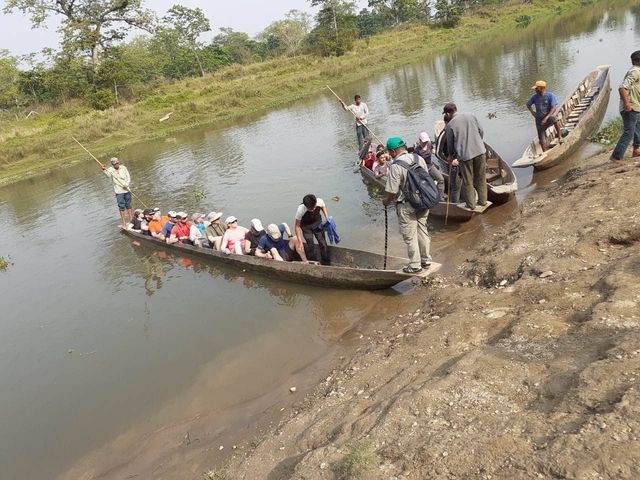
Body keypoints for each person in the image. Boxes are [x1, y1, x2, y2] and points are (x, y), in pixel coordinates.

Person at [382, 137, 432, 274]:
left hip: (407, 205)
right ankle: (425, 260)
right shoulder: (418, 158)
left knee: (410, 235)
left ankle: (415, 265)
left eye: (390, 152)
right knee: (423, 230)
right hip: (424, 201)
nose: (390, 155)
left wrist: (386, 201)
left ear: (393, 151)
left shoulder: (396, 166)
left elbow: (392, 191)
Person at [443, 103, 487, 211]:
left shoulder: (450, 125)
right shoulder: (471, 115)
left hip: (465, 156)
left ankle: (471, 205)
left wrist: (451, 156)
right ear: (456, 109)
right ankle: (483, 201)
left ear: (448, 114)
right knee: (481, 177)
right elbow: (481, 131)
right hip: (480, 151)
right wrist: (478, 142)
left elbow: (450, 144)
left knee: (468, 181)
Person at [610, 50, 640, 165]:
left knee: (637, 129)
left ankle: (636, 150)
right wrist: (627, 105)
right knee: (629, 131)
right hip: (630, 107)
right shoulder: (635, 71)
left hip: (636, 106)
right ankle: (616, 156)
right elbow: (622, 88)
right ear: (637, 61)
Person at [527, 81, 563, 152]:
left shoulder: (550, 95)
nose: (535, 90)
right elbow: (528, 104)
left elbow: (554, 108)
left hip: (548, 118)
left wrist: (546, 118)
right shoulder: (534, 97)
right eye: (535, 88)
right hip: (539, 121)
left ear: (543, 88)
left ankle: (559, 136)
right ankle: (545, 153)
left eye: (537, 88)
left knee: (555, 118)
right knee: (542, 140)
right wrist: (532, 112)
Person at [294, 194, 330, 265]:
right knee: (310, 245)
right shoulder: (301, 209)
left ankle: (325, 261)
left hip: (317, 222)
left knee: (322, 242)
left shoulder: (319, 201)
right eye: (311, 208)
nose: (313, 209)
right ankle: (313, 261)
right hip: (306, 226)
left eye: (314, 207)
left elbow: (323, 207)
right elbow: (297, 226)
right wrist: (300, 242)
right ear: (306, 206)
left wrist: (327, 218)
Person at [101, 157, 132, 228]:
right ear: (112, 164)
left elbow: (128, 177)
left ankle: (131, 220)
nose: (116, 165)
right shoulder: (110, 170)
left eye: (117, 163)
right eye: (114, 164)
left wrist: (126, 184)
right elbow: (107, 176)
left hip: (127, 190)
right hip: (118, 192)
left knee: (128, 205)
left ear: (118, 162)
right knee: (121, 207)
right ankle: (123, 222)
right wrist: (104, 170)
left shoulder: (123, 168)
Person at [414, 132, 445, 199]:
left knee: (441, 179)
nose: (425, 143)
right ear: (420, 141)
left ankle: (439, 198)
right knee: (427, 184)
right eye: (424, 141)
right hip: (422, 169)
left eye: (426, 141)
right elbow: (415, 163)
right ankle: (427, 197)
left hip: (430, 166)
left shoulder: (429, 144)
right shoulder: (417, 150)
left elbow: (432, 150)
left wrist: (436, 152)